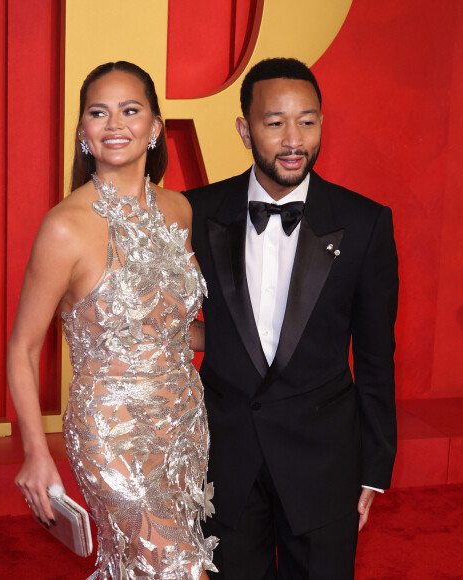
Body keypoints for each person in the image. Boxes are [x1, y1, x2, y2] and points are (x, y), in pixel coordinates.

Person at [185, 57, 398, 579]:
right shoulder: (195, 211)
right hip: (224, 459)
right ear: (245, 129)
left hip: (323, 461)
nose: (293, 138)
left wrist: (374, 468)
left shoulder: (364, 222)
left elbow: (374, 355)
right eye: (274, 122)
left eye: (308, 120)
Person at [7, 61, 217, 580]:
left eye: (130, 110)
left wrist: (258, 345)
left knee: (137, 567)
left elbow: (167, 325)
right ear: (83, 131)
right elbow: (22, 349)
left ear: (156, 125)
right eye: (98, 113)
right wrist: (36, 454)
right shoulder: (65, 227)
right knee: (175, 568)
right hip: (112, 432)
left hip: (185, 424)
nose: (114, 124)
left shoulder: (180, 210)